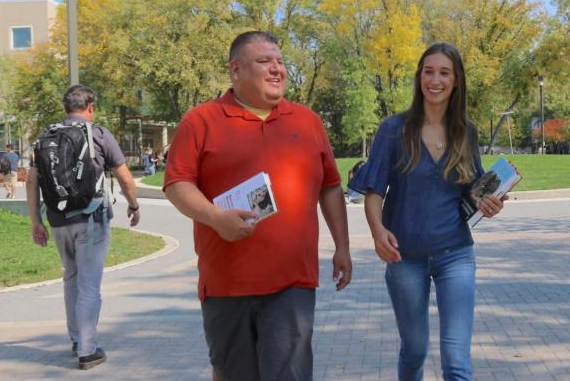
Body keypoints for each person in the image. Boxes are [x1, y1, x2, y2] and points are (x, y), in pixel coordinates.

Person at [164, 31, 352, 381]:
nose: (277, 69)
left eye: (280, 62)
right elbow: (177, 184)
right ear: (236, 71)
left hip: (293, 282)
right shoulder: (200, 121)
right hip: (226, 284)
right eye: (265, 62)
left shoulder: (307, 121)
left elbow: (330, 186)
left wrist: (342, 246)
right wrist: (216, 217)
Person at [349, 42, 506, 381]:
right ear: (419, 76)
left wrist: (488, 203)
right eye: (428, 71)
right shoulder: (394, 129)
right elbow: (374, 190)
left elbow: (473, 189)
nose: (435, 80)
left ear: (456, 81)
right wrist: (377, 231)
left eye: (444, 73)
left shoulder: (467, 131)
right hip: (404, 257)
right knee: (415, 350)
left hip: (456, 255)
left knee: (456, 361)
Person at [26, 84, 142, 370]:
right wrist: (134, 205)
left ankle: (77, 339)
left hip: (57, 220)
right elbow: (125, 178)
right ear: (90, 107)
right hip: (91, 219)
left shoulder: (45, 136)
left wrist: (35, 221)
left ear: (67, 108)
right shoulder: (99, 135)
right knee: (89, 285)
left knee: (71, 278)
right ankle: (88, 351)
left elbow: (31, 181)